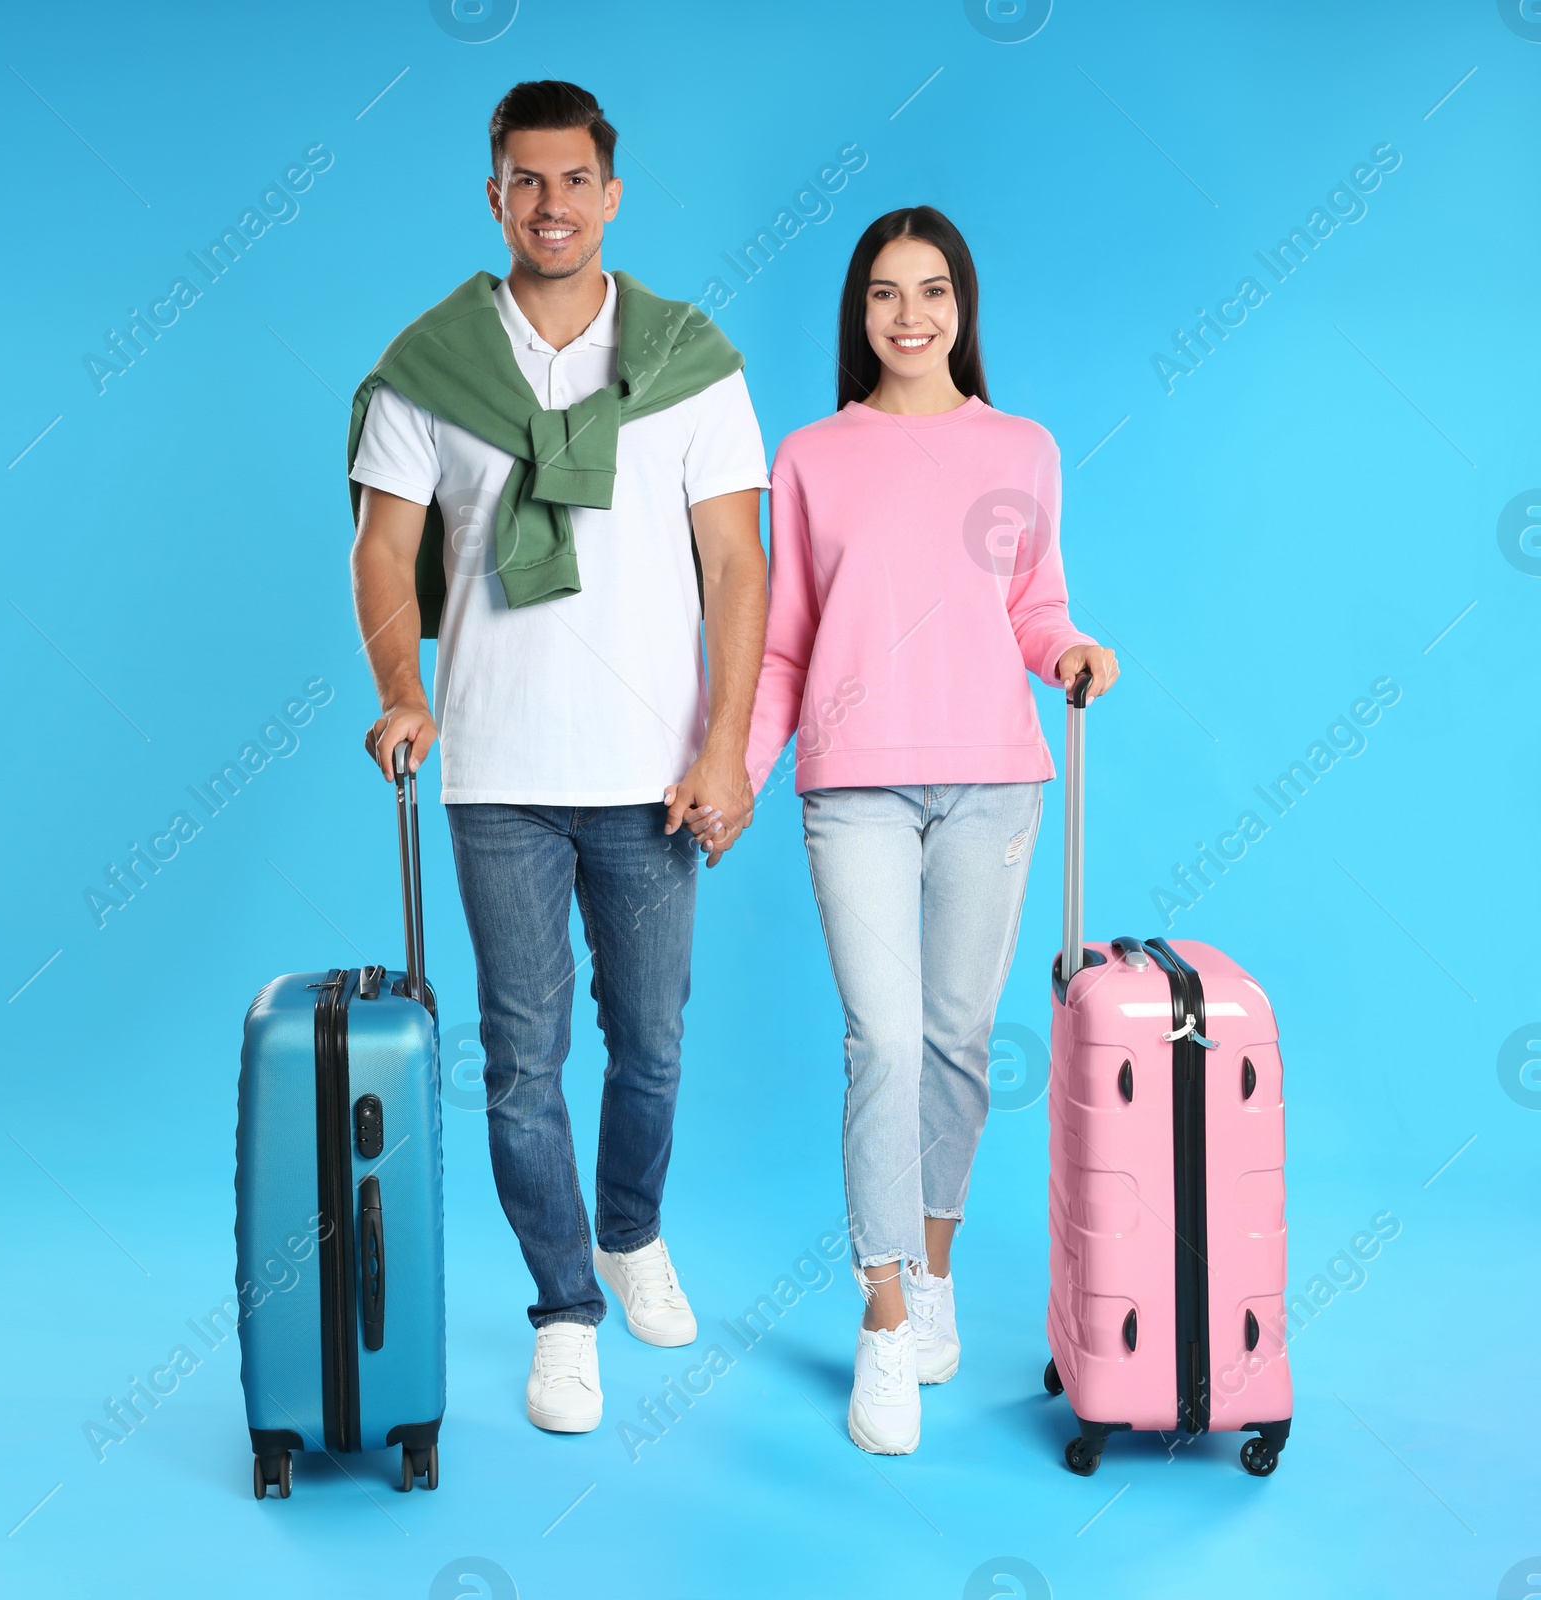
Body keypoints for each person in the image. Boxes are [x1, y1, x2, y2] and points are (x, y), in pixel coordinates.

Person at [347, 81, 769, 1435]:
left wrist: (727, 748)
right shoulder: (430, 367)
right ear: (493, 197)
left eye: (574, 181)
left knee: (648, 1044)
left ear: (612, 193)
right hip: (499, 778)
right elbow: (380, 547)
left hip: (653, 775)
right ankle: (564, 1312)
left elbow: (737, 567)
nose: (551, 206)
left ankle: (631, 1233)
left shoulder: (692, 360)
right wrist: (403, 690)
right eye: (525, 183)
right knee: (522, 1060)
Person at [737, 206, 1119, 1455]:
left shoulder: (1021, 446)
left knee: (956, 1042)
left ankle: (938, 1267)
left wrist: (1065, 649)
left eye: (933, 291)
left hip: (993, 780)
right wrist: (738, 773)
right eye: (885, 294)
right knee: (884, 1042)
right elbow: (781, 639)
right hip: (851, 781)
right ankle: (886, 1322)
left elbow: (1033, 603)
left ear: (963, 307)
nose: (909, 316)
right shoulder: (809, 458)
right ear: (857, 313)